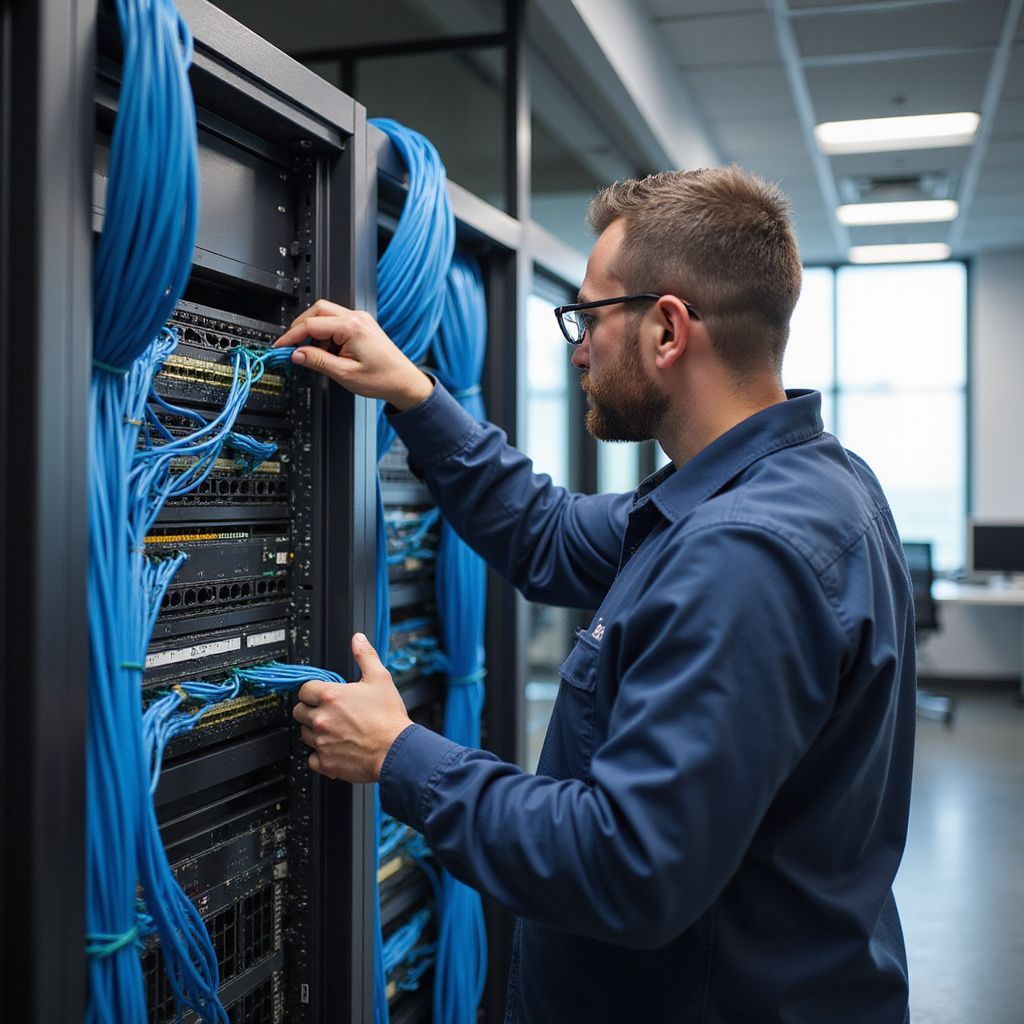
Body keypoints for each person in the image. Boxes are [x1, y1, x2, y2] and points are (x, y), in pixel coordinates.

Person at [276, 167, 915, 1023]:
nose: (577, 347)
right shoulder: (789, 489)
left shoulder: (744, 555)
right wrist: (416, 395)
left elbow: (628, 866)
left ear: (667, 328)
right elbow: (545, 533)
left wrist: (401, 756)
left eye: (588, 316)